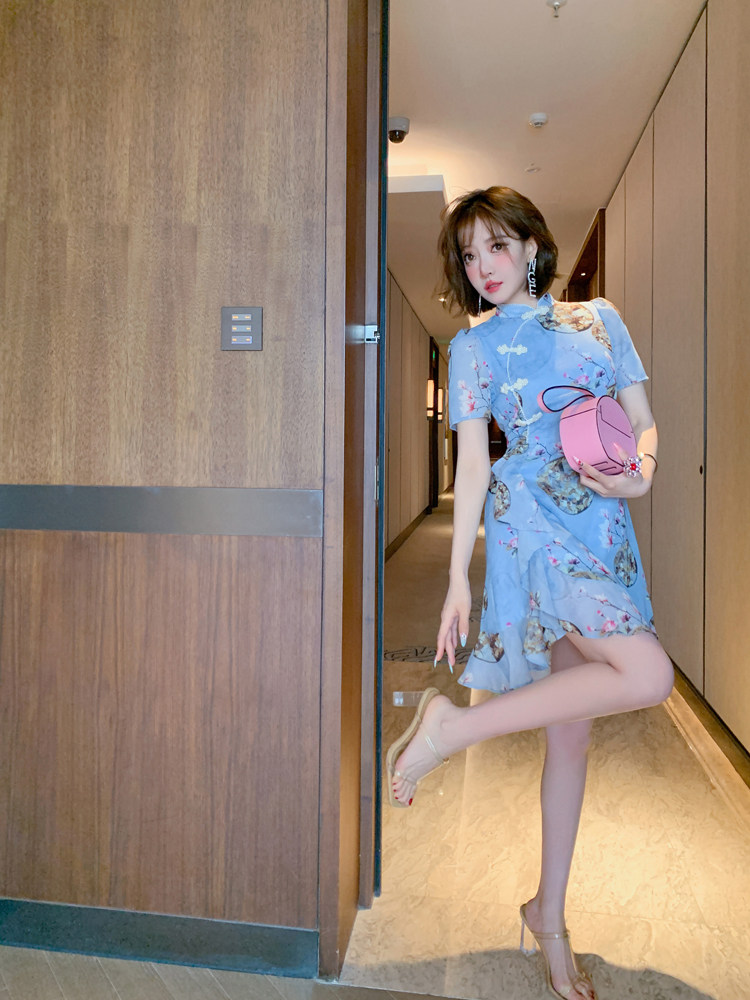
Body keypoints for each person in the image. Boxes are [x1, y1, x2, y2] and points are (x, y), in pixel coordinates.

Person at [385, 187, 673, 1000]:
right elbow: (475, 464)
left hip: (603, 527)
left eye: (497, 246)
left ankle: (548, 913)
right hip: (531, 527)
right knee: (648, 675)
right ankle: (449, 729)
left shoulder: (599, 320)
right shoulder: (471, 348)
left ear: (533, 247)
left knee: (571, 736)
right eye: (470, 255)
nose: (484, 266)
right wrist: (456, 578)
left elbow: (642, 420)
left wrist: (642, 476)